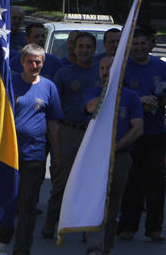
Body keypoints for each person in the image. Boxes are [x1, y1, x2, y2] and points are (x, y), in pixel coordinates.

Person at [0, 44, 62, 254]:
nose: (34, 65)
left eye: (38, 62)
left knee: (28, 204)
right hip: (8, 154)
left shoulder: (49, 87)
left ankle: (22, 248)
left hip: (35, 155)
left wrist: (57, 153)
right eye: (30, 61)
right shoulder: (10, 83)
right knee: (7, 201)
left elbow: (53, 123)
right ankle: (4, 238)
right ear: (22, 62)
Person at [41, 31, 100, 238]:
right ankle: (52, 223)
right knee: (62, 181)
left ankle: (87, 228)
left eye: (88, 47)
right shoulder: (64, 74)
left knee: (89, 183)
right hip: (69, 131)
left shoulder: (101, 72)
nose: (84, 50)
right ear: (74, 49)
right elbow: (53, 109)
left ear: (94, 49)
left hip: (93, 133)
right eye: (80, 46)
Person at [84, 55, 143, 253]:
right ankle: (94, 247)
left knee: (112, 206)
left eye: (109, 69)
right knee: (95, 204)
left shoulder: (131, 96)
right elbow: (90, 108)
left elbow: (138, 128)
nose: (105, 72)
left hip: (120, 158)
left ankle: (106, 247)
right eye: (102, 69)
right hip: (95, 158)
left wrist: (116, 147)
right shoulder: (93, 92)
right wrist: (108, 92)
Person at [117, 29, 166, 242]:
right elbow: (116, 94)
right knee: (132, 180)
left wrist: (159, 101)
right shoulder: (122, 67)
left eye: (142, 43)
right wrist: (138, 99)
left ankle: (154, 228)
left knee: (157, 181)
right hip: (130, 132)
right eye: (135, 44)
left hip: (156, 132)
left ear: (150, 44)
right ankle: (128, 226)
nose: (139, 48)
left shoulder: (161, 67)